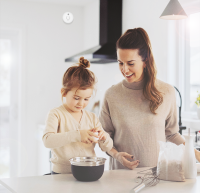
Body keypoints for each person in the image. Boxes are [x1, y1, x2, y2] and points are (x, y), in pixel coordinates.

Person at [98, 27, 200, 170]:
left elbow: (172, 135)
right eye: (120, 63)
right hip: (120, 176)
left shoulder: (167, 92)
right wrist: (116, 155)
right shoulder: (111, 95)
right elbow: (104, 137)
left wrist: (195, 153)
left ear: (145, 61)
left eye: (130, 63)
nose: (125, 70)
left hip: (157, 176)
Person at [42, 57, 113, 174]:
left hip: (87, 172)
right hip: (61, 174)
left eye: (86, 99)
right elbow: (47, 141)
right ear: (64, 92)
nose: (81, 103)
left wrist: (104, 137)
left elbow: (107, 147)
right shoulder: (56, 114)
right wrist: (78, 135)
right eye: (76, 98)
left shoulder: (92, 118)